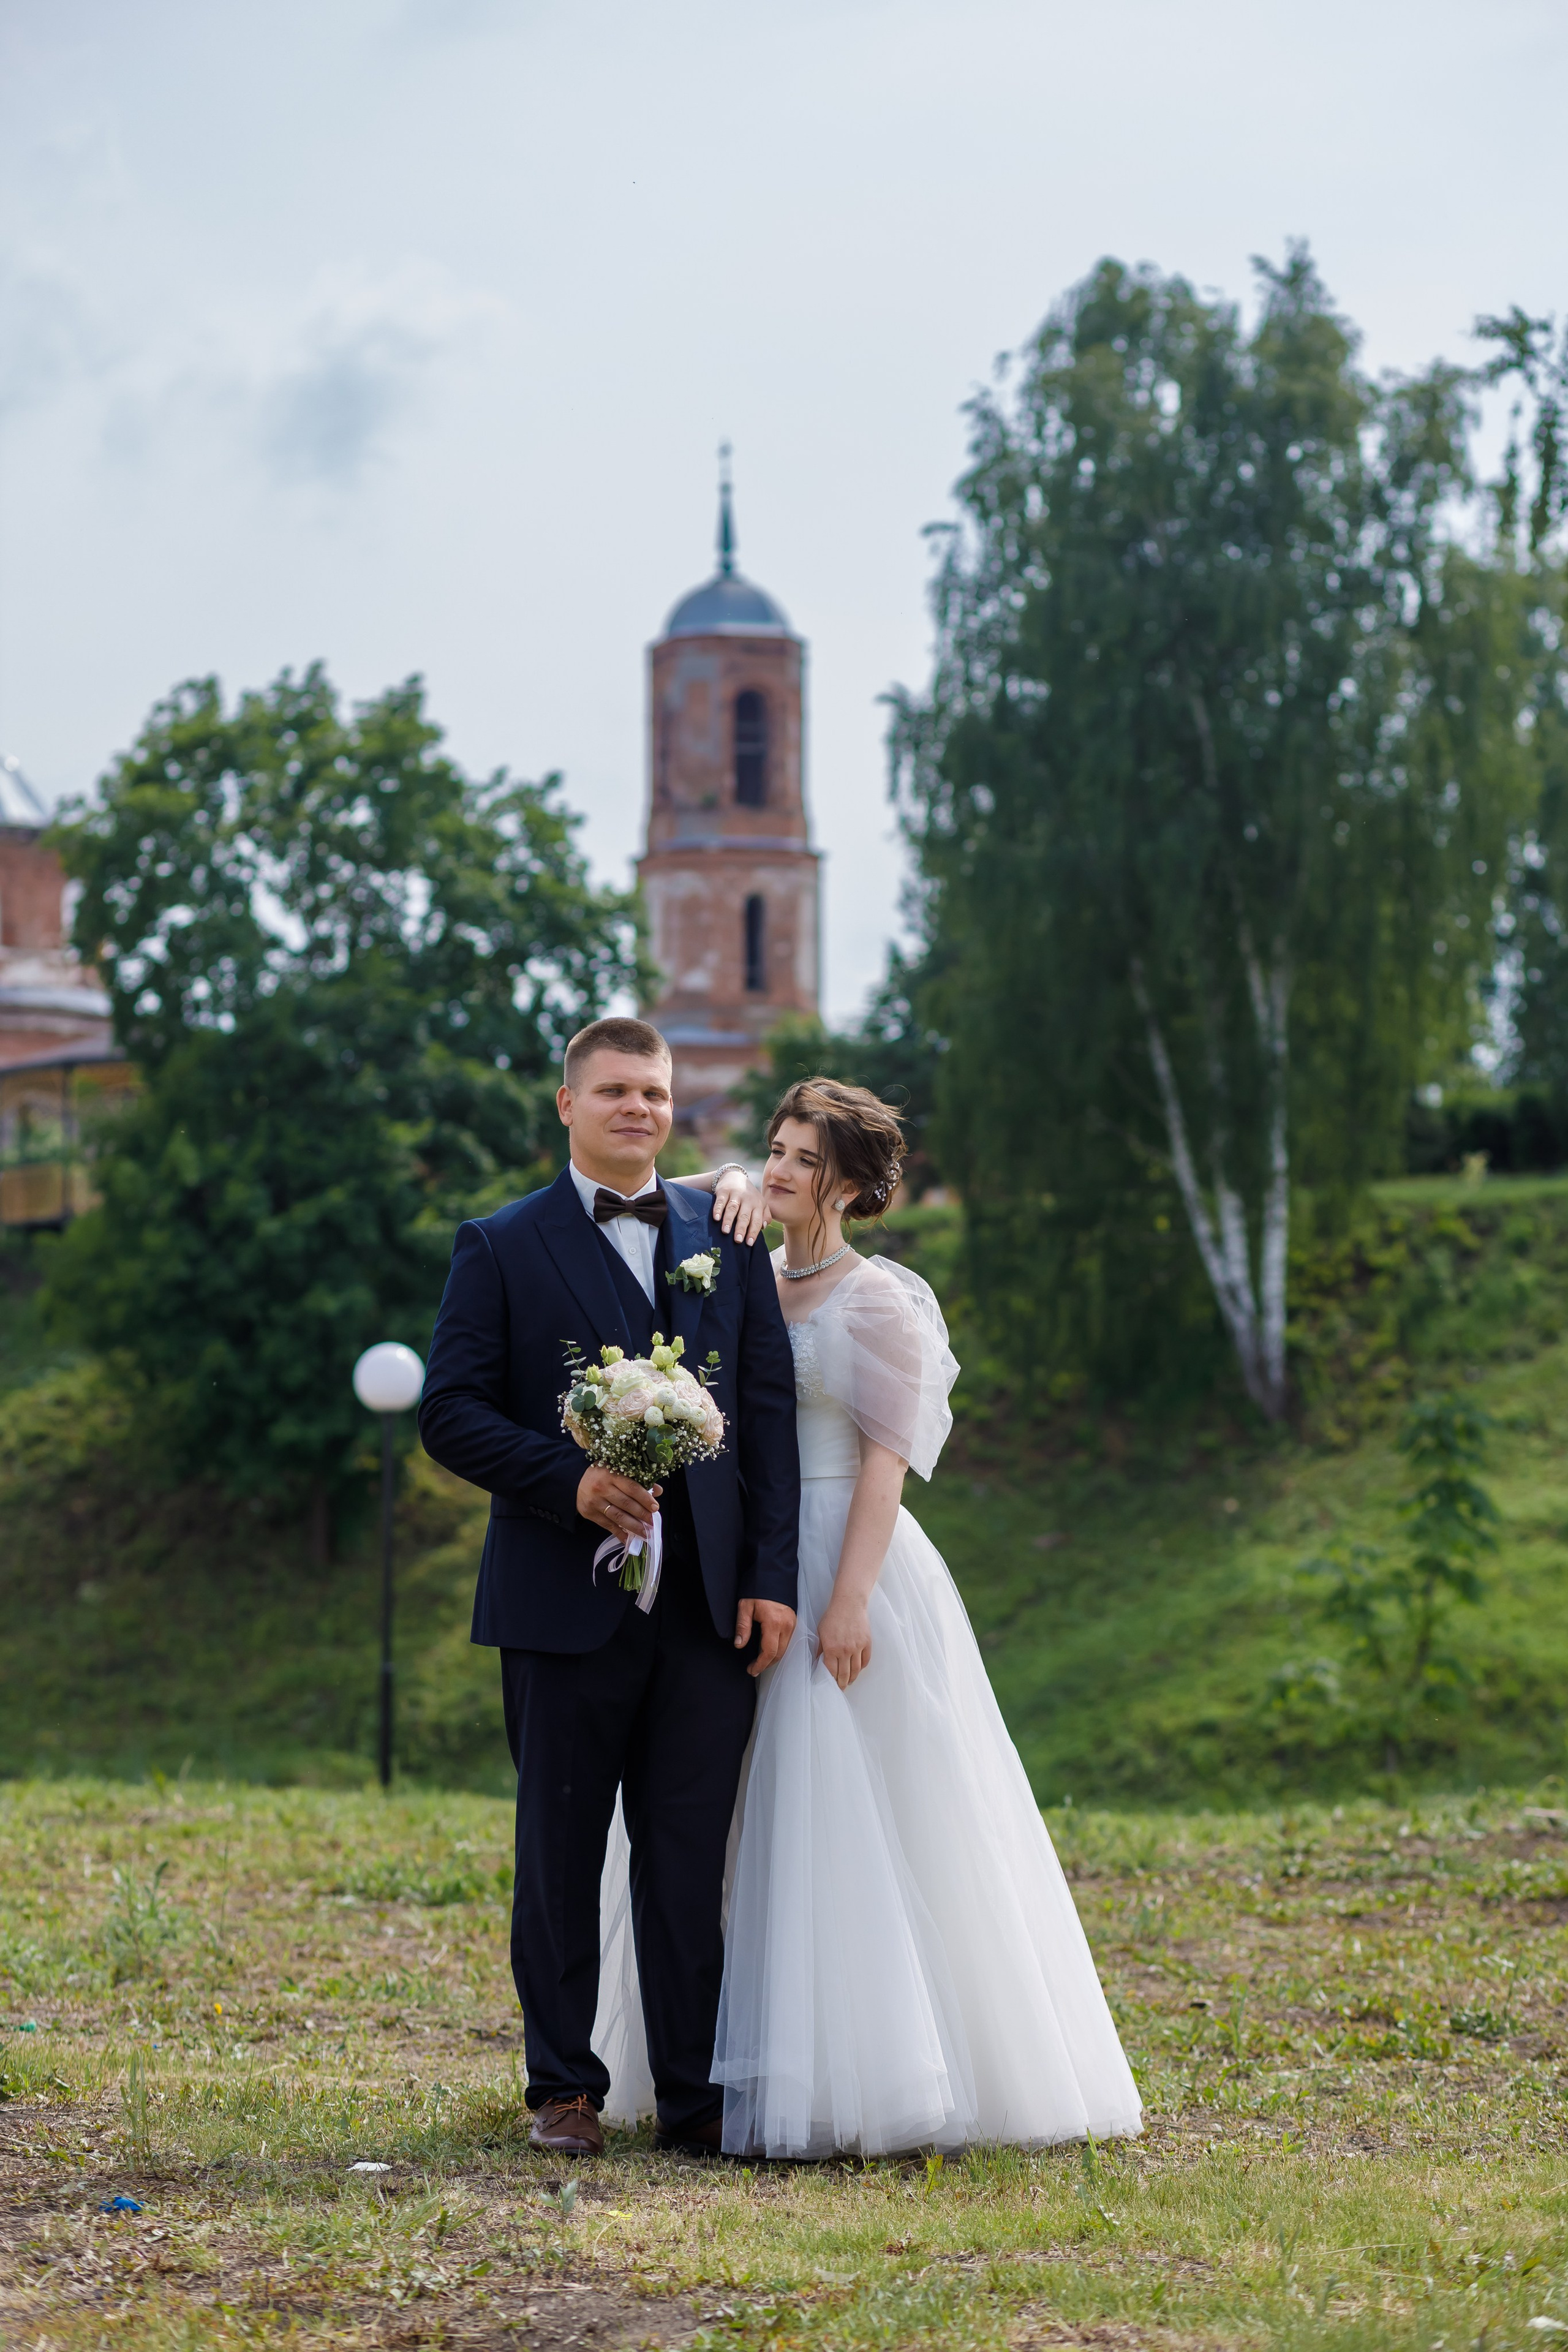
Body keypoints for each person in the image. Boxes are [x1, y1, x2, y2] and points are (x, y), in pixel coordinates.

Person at [599, 1077, 1144, 2157]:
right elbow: (691, 1185)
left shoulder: (878, 1300)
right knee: (739, 1807)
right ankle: (729, 2060)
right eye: (777, 1150)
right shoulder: (747, 1266)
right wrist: (744, 1176)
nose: (783, 1170)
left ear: (848, 1183)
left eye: (806, 1158)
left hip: (850, 1551)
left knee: (853, 1807)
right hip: (747, 1556)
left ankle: (876, 2067)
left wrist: (845, 1604)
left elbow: (888, 1467)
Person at [417, 1017, 800, 2159]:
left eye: (656, 1093)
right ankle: (564, 2091)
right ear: (568, 1105)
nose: (639, 1108)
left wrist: (771, 1578)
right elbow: (452, 1411)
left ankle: (692, 2098)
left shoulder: (725, 1236)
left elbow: (768, 1418)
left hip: (704, 1614)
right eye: (617, 1091)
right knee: (562, 1853)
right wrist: (565, 1482)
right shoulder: (500, 1244)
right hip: (558, 1607)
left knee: (688, 1859)